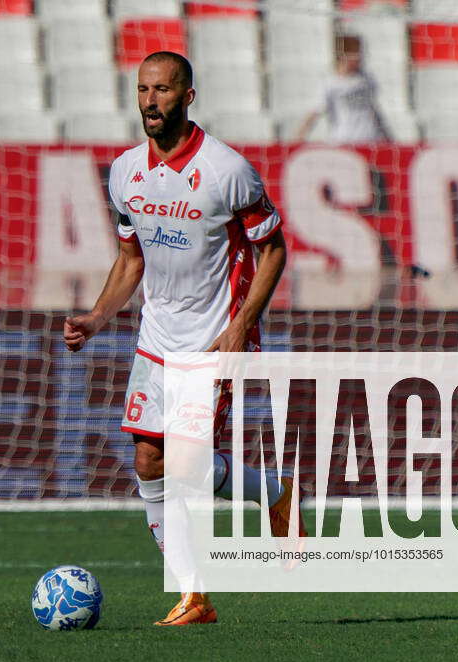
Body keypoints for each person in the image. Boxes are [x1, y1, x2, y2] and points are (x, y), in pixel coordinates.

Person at [63, 52, 304, 627]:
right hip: (156, 337)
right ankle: (194, 594)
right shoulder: (125, 172)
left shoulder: (227, 171)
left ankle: (273, 492)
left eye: (163, 90)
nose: (150, 100)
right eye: (143, 89)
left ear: (187, 96)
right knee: (149, 459)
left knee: (188, 464)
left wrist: (241, 325)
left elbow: (273, 249)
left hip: (214, 337)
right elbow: (130, 258)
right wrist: (97, 319)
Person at [296, 34, 389, 144]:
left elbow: (374, 110)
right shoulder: (330, 83)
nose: (360, 57)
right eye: (356, 53)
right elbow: (315, 112)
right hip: (344, 141)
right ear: (344, 55)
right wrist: (299, 138)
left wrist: (387, 136)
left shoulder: (367, 78)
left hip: (371, 141)